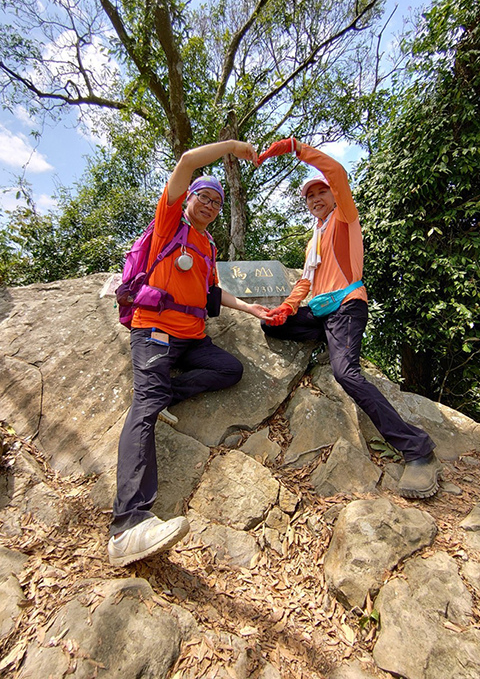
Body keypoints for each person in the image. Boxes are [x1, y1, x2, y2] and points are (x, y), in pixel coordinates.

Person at [109, 140, 270, 567]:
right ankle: (127, 525)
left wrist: (251, 308)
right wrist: (233, 146)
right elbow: (185, 162)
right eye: (205, 197)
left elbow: (212, 292)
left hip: (192, 338)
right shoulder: (168, 224)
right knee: (143, 406)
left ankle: (168, 394)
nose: (211, 206)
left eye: (218, 202)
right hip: (155, 330)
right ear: (190, 198)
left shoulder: (208, 246)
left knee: (230, 369)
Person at [258, 138, 441, 499]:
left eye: (320, 192)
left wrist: (296, 148)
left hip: (347, 308)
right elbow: (306, 282)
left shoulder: (344, 219)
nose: (315, 200)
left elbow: (337, 172)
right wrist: (286, 308)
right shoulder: (314, 240)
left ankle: (417, 448)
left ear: (333, 194)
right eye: (309, 197)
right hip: (322, 311)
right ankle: (328, 341)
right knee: (270, 323)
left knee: (346, 373)